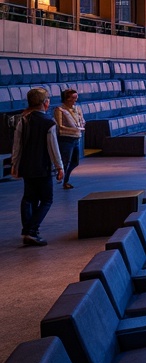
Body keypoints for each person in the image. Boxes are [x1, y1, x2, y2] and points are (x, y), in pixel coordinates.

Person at [12, 87, 64, 246]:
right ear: (45, 103)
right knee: (47, 199)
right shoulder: (49, 123)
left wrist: (15, 164)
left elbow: (17, 145)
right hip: (42, 166)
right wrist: (59, 166)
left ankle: (27, 230)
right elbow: (53, 147)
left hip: (26, 165)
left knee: (28, 198)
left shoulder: (23, 120)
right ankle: (31, 230)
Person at [54, 87, 85, 190]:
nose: (75, 100)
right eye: (73, 98)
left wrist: (81, 124)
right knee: (65, 161)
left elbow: (81, 120)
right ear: (67, 98)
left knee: (75, 161)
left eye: (76, 97)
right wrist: (75, 129)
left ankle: (64, 178)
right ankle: (63, 180)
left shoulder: (77, 109)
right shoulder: (60, 110)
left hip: (76, 138)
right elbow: (60, 126)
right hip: (66, 138)